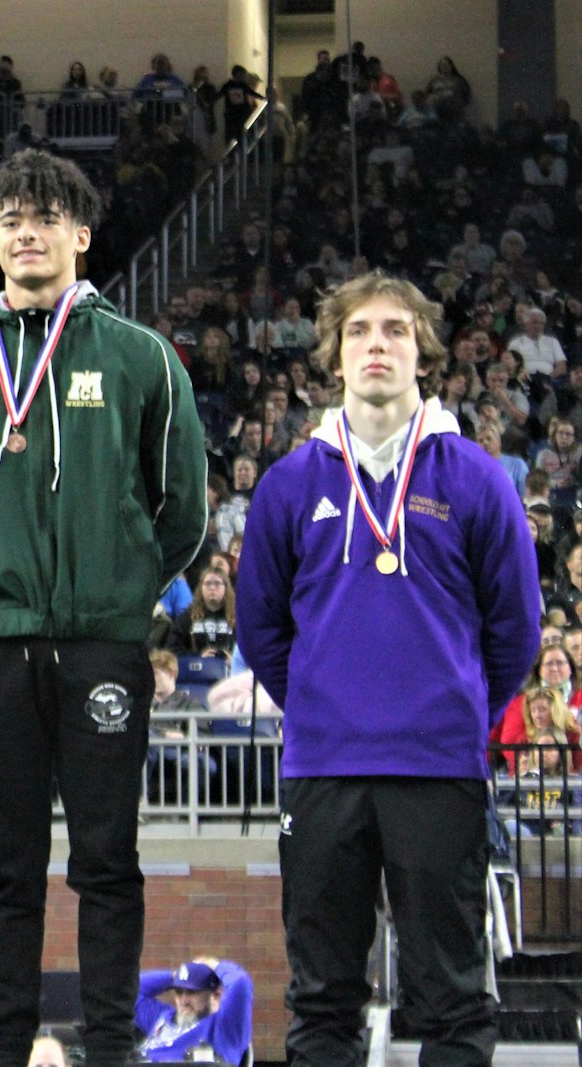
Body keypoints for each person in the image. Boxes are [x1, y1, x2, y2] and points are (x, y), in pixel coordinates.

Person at [0, 148, 208, 1067]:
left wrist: (116, 595)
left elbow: (183, 507)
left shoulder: (140, 357)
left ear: (80, 236)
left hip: (98, 651)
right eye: (10, 219)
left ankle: (112, 1049)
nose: (27, 232)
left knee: (107, 866)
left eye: (45, 217)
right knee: (7, 873)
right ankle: (4, 1049)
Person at [236, 273, 542, 1066]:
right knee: (323, 1000)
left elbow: (516, 630)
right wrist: (318, 703)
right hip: (324, 767)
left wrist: (459, 708)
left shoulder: (476, 478)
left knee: (451, 998)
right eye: (360, 331)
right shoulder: (288, 485)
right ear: (335, 357)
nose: (378, 343)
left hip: (438, 768)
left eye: (396, 330)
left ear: (424, 353)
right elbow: (261, 626)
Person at [135, 957, 253, 1063]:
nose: (184, 1001)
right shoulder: (161, 1016)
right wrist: (177, 976)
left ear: (215, 995)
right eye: (179, 992)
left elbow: (240, 983)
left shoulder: (224, 1027)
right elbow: (129, 992)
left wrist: (214, 965)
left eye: (192, 993)